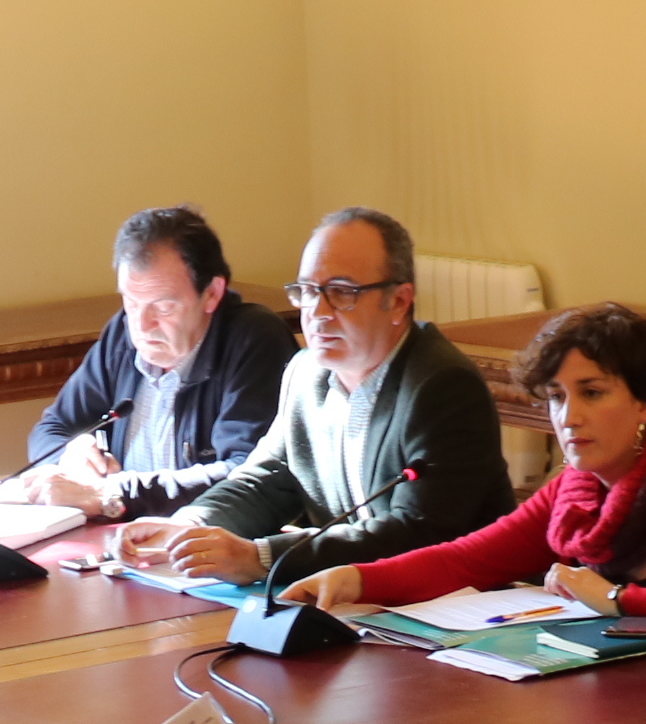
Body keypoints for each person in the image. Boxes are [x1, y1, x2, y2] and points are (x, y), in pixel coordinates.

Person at [278, 300, 646, 641]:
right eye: (557, 397)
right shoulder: (573, 490)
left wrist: (618, 598)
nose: (569, 417)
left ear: (644, 403)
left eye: (592, 392)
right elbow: (465, 560)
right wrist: (353, 579)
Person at [116, 207, 511, 591]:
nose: (317, 312)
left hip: (458, 608)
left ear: (398, 301)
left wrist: (262, 557)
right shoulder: (306, 372)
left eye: (340, 292)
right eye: (307, 291)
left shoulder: (442, 385)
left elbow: (417, 533)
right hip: (349, 604)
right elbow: (264, 480)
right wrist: (190, 528)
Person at [20, 203, 296, 521]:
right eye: (131, 302)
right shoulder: (122, 333)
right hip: (120, 536)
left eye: (164, 307)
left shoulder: (254, 339)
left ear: (212, 293)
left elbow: (247, 475)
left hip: (205, 539)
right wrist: (71, 453)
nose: (142, 325)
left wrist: (113, 494)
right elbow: (51, 428)